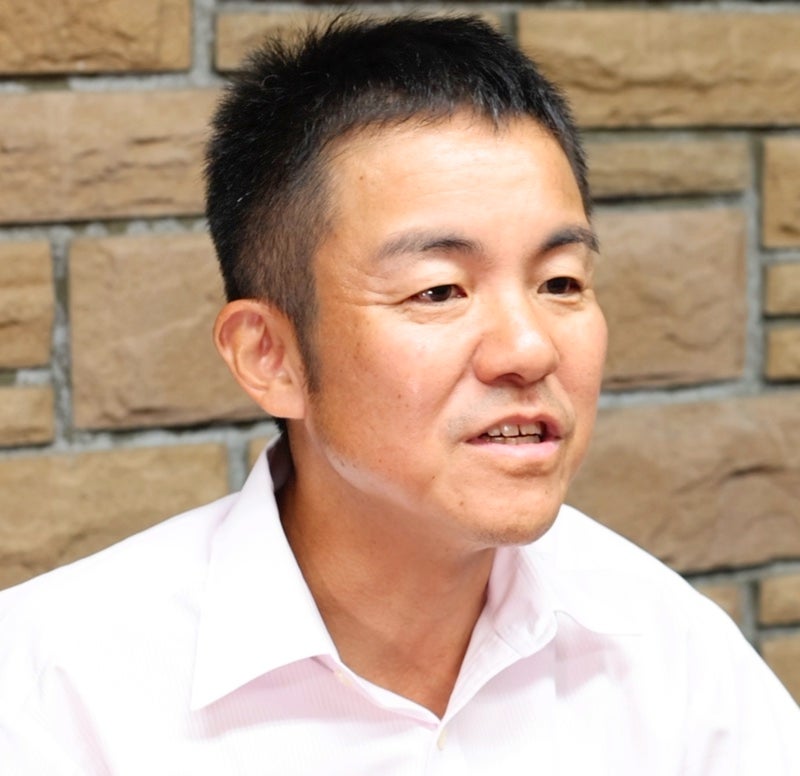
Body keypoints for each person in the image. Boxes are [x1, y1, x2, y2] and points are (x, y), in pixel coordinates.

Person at [1, 14, 798, 775]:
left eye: (560, 282)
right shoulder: (55, 697)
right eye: (439, 290)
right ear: (270, 355)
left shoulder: (669, 652)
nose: (529, 349)